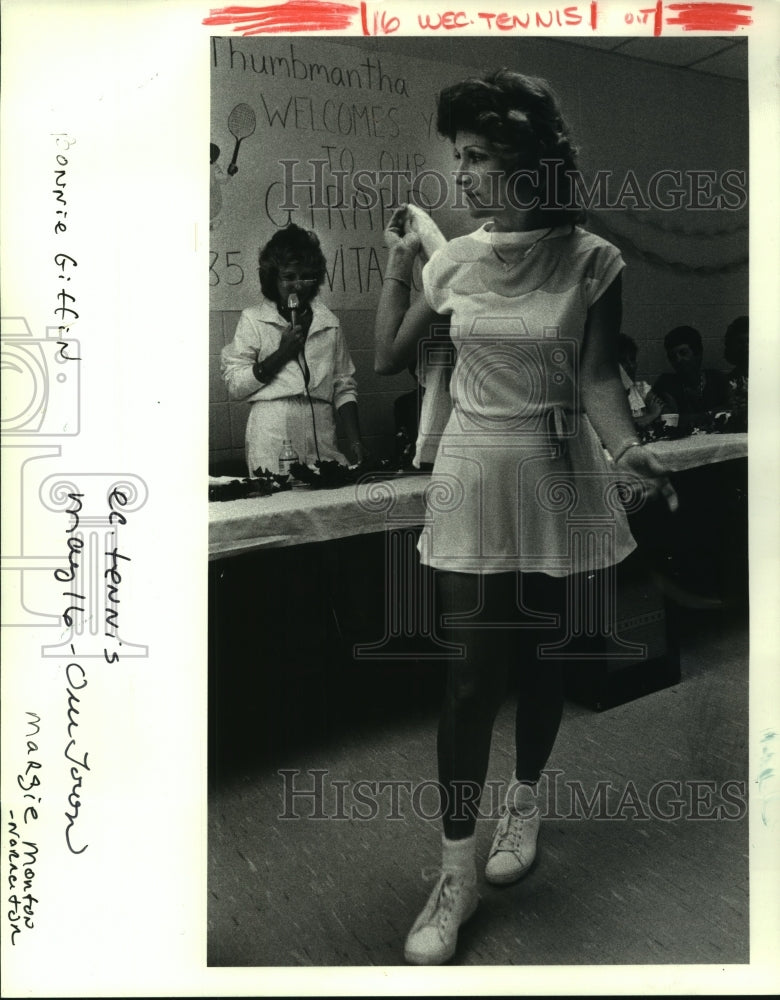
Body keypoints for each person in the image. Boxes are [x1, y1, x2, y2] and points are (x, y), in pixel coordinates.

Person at [373, 69, 674, 965]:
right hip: (473, 469)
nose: (460, 175)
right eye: (457, 158)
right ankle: (455, 872)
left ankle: (527, 797)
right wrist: (399, 265)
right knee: (470, 677)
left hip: (557, 471)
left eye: (477, 159)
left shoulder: (591, 260)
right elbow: (390, 354)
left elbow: (594, 379)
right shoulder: (455, 259)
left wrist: (628, 451)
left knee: (545, 659)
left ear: (528, 164)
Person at [221, 223, 364, 476]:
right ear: (273, 279)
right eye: (289, 277)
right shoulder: (253, 320)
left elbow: (344, 385)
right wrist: (281, 355)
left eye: (306, 277)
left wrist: (355, 442)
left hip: (321, 435)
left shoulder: (329, 323)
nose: (298, 285)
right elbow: (236, 385)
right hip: (272, 437)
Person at [652, 325, 730, 425]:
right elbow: (671, 420)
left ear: (698, 353)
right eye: (672, 357)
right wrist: (710, 414)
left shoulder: (717, 379)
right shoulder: (666, 384)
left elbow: (730, 409)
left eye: (683, 353)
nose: (678, 360)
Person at [617, 333, 664, 428]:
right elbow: (617, 428)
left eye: (632, 359)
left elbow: (664, 411)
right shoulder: (603, 395)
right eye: (623, 361)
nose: (631, 366)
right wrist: (651, 416)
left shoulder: (641, 388)